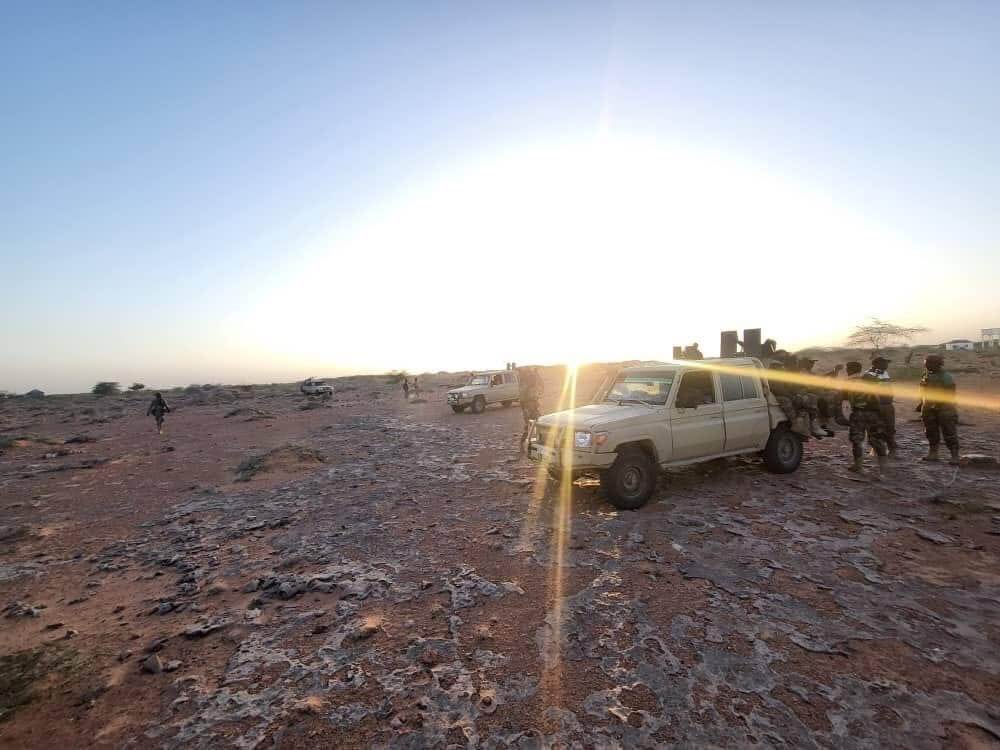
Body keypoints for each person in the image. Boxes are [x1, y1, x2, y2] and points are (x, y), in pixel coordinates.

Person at [836, 361, 887, 473]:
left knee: (857, 440)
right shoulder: (869, 378)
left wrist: (844, 416)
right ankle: (883, 468)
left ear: (848, 370)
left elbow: (844, 401)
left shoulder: (847, 382)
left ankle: (858, 466)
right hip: (874, 413)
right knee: (877, 440)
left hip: (858, 413)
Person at [916, 354, 959, 464]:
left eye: (928, 364)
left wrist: (939, 404)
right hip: (928, 407)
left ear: (937, 364)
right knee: (930, 431)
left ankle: (954, 456)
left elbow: (951, 393)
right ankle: (933, 453)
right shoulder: (926, 375)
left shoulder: (946, 376)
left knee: (949, 432)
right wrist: (921, 403)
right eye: (925, 364)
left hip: (944, 408)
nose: (926, 366)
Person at [868, 356, 897, 457]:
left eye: (887, 363)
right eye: (884, 363)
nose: (887, 365)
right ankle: (876, 449)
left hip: (887, 404)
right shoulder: (869, 374)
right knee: (875, 428)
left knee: (890, 427)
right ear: (876, 364)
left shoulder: (884, 373)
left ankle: (891, 449)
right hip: (877, 405)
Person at [517, 367, 543, 452]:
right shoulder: (524, 383)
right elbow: (524, 397)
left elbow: (540, 386)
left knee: (538, 423)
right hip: (528, 405)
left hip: (531, 404)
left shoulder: (526, 382)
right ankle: (523, 444)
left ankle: (536, 442)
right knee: (529, 425)